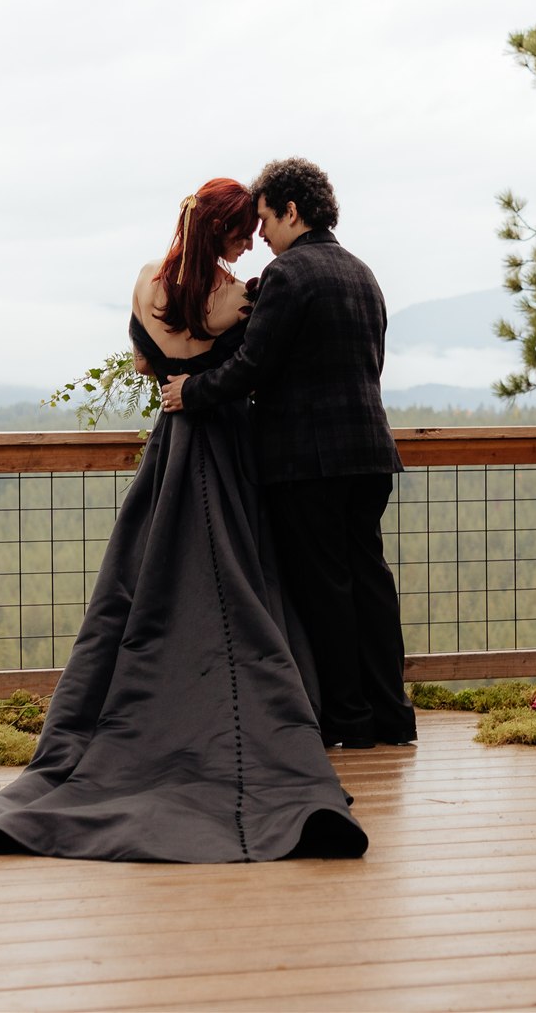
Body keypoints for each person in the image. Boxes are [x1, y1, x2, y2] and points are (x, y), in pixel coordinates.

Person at [0, 178, 367, 862]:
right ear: (220, 230)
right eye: (240, 232)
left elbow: (148, 361)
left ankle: (141, 700)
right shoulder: (237, 296)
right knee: (242, 574)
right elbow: (256, 368)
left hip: (173, 442)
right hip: (228, 441)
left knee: (148, 574)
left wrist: (176, 374)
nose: (249, 243)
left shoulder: (149, 282)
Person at [161, 157, 414, 750]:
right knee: (370, 582)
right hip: (370, 453)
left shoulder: (288, 274)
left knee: (325, 589)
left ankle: (347, 719)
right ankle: (392, 714)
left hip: (307, 461)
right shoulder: (363, 274)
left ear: (292, 212)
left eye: (267, 220)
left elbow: (253, 366)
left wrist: (191, 391)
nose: (263, 235)